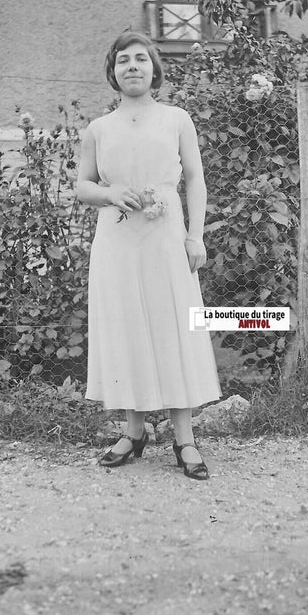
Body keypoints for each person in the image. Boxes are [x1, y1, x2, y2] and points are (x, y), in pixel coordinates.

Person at [76, 30, 221, 480]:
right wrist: (109, 192)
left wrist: (195, 236)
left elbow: (194, 179)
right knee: (126, 327)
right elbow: (83, 186)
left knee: (173, 324)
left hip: (166, 237)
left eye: (141, 59)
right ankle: (133, 432)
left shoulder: (176, 118)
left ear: (154, 70)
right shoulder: (97, 130)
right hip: (117, 240)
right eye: (123, 60)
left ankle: (185, 438)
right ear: (112, 72)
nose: (132, 66)